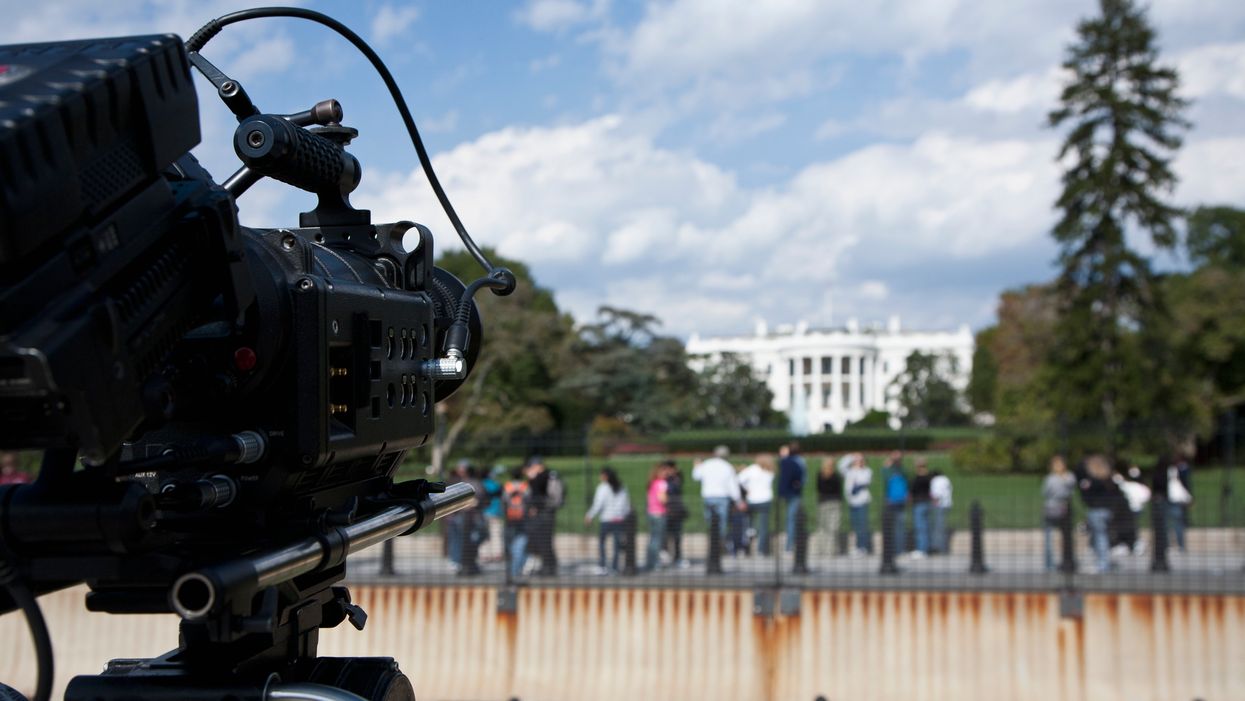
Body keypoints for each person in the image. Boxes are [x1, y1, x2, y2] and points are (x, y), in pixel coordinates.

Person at [692, 445, 743, 542]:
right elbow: (732, 486)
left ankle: (713, 541)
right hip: (722, 497)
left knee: (710, 521)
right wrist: (738, 500)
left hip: (709, 496)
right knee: (721, 522)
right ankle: (719, 543)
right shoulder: (727, 466)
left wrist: (696, 465)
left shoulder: (706, 464)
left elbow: (696, 476)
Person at [585, 467, 631, 573]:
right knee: (616, 545)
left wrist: (590, 515)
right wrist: (623, 516)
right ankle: (615, 567)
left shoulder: (602, 488)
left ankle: (602, 565)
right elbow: (626, 505)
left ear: (605, 476)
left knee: (602, 543)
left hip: (606, 519)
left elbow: (598, 504)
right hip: (619, 520)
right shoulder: (622, 487)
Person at [1078, 454, 1116, 573]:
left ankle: (1102, 564)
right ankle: (1101, 561)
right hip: (1107, 510)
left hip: (1097, 510)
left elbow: (1086, 496)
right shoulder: (1108, 479)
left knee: (1100, 537)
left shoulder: (1093, 481)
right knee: (1098, 536)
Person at [526, 456, 563, 576]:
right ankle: (546, 566)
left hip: (546, 513)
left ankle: (549, 567)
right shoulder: (537, 479)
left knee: (545, 541)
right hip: (540, 514)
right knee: (541, 542)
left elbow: (555, 498)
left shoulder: (550, 478)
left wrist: (540, 504)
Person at [1042, 455, 1076, 571]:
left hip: (1059, 507)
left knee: (1064, 537)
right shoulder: (1054, 478)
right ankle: (1049, 564)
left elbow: (1047, 492)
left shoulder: (1066, 477)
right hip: (1055, 507)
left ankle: (1063, 562)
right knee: (1049, 538)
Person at [737, 454, 776, 556]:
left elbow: (739, 479)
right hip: (765, 499)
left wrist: (747, 488)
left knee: (749, 525)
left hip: (752, 499)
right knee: (763, 527)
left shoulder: (752, 469)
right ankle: (761, 550)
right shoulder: (770, 471)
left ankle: (746, 548)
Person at [1157, 455, 1193, 552]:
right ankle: (1180, 546)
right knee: (1176, 523)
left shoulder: (1163, 472)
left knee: (1168, 523)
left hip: (1168, 499)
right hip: (1174, 499)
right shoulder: (1177, 471)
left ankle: (1168, 545)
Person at [1112, 465, 1151, 556]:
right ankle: (1127, 544)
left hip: (1134, 509)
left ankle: (1134, 544)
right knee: (1129, 527)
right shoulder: (1131, 486)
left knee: (1131, 528)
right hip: (1133, 509)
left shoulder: (1132, 486)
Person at [777, 443, 807, 553]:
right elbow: (802, 479)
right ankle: (790, 545)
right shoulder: (798, 461)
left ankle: (790, 545)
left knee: (791, 518)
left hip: (788, 493)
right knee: (793, 519)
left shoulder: (786, 461)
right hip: (794, 493)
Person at [502, 466, 531, 579]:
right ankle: (516, 569)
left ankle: (512, 571)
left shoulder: (508, 486)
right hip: (522, 518)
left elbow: (504, 500)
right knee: (520, 544)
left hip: (510, 518)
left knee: (511, 546)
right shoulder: (525, 486)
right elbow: (529, 500)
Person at [844, 453, 873, 555]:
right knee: (855, 525)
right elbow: (841, 466)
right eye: (857, 460)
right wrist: (851, 456)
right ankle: (858, 546)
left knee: (862, 525)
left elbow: (863, 482)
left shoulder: (866, 471)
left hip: (861, 501)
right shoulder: (850, 471)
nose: (858, 462)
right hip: (852, 502)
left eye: (860, 460)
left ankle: (863, 547)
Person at [815, 456, 844, 557]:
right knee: (832, 528)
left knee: (823, 527)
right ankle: (830, 551)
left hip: (823, 502)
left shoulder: (820, 475)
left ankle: (821, 550)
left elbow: (818, 489)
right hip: (834, 502)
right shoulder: (836, 476)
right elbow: (839, 490)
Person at [663, 461, 689, 567]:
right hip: (667, 511)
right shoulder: (663, 480)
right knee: (665, 535)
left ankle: (677, 557)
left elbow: (677, 486)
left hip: (676, 511)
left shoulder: (676, 479)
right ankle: (665, 554)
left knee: (677, 536)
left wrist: (677, 473)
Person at [644, 462, 670, 571]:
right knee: (657, 540)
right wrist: (668, 500)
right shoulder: (662, 483)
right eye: (664, 471)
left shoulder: (652, 482)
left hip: (651, 512)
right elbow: (662, 499)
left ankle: (649, 561)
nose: (666, 473)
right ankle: (655, 563)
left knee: (652, 539)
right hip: (659, 513)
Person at [883, 452, 909, 555]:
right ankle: (892, 549)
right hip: (891, 501)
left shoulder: (903, 470)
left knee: (900, 526)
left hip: (901, 501)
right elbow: (885, 477)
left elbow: (907, 479)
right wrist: (887, 465)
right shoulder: (888, 471)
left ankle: (900, 549)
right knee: (891, 527)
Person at [480, 466, 505, 562]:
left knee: (484, 535)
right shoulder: (495, 484)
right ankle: (497, 554)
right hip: (495, 512)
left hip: (483, 512)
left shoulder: (481, 484)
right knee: (496, 533)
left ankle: (484, 554)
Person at [909, 458, 933, 558]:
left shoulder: (917, 478)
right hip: (927, 503)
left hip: (919, 503)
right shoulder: (929, 477)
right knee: (926, 527)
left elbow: (912, 490)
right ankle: (926, 549)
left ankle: (921, 549)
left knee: (920, 528)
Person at [929, 469, 952, 554]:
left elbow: (936, 494)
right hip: (947, 504)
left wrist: (933, 504)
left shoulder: (936, 480)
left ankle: (939, 548)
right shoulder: (946, 479)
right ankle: (942, 548)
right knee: (941, 527)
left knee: (938, 528)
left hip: (939, 505)